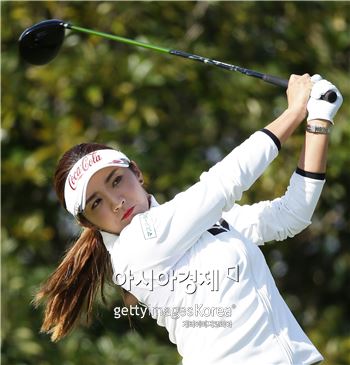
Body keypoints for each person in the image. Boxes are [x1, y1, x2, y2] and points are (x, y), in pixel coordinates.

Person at [34, 74, 343, 364]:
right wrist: (294, 111)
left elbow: (291, 215)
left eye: (116, 180)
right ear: (87, 222)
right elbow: (223, 182)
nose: (116, 202)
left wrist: (319, 118)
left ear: (136, 172)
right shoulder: (134, 249)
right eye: (96, 202)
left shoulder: (196, 223)